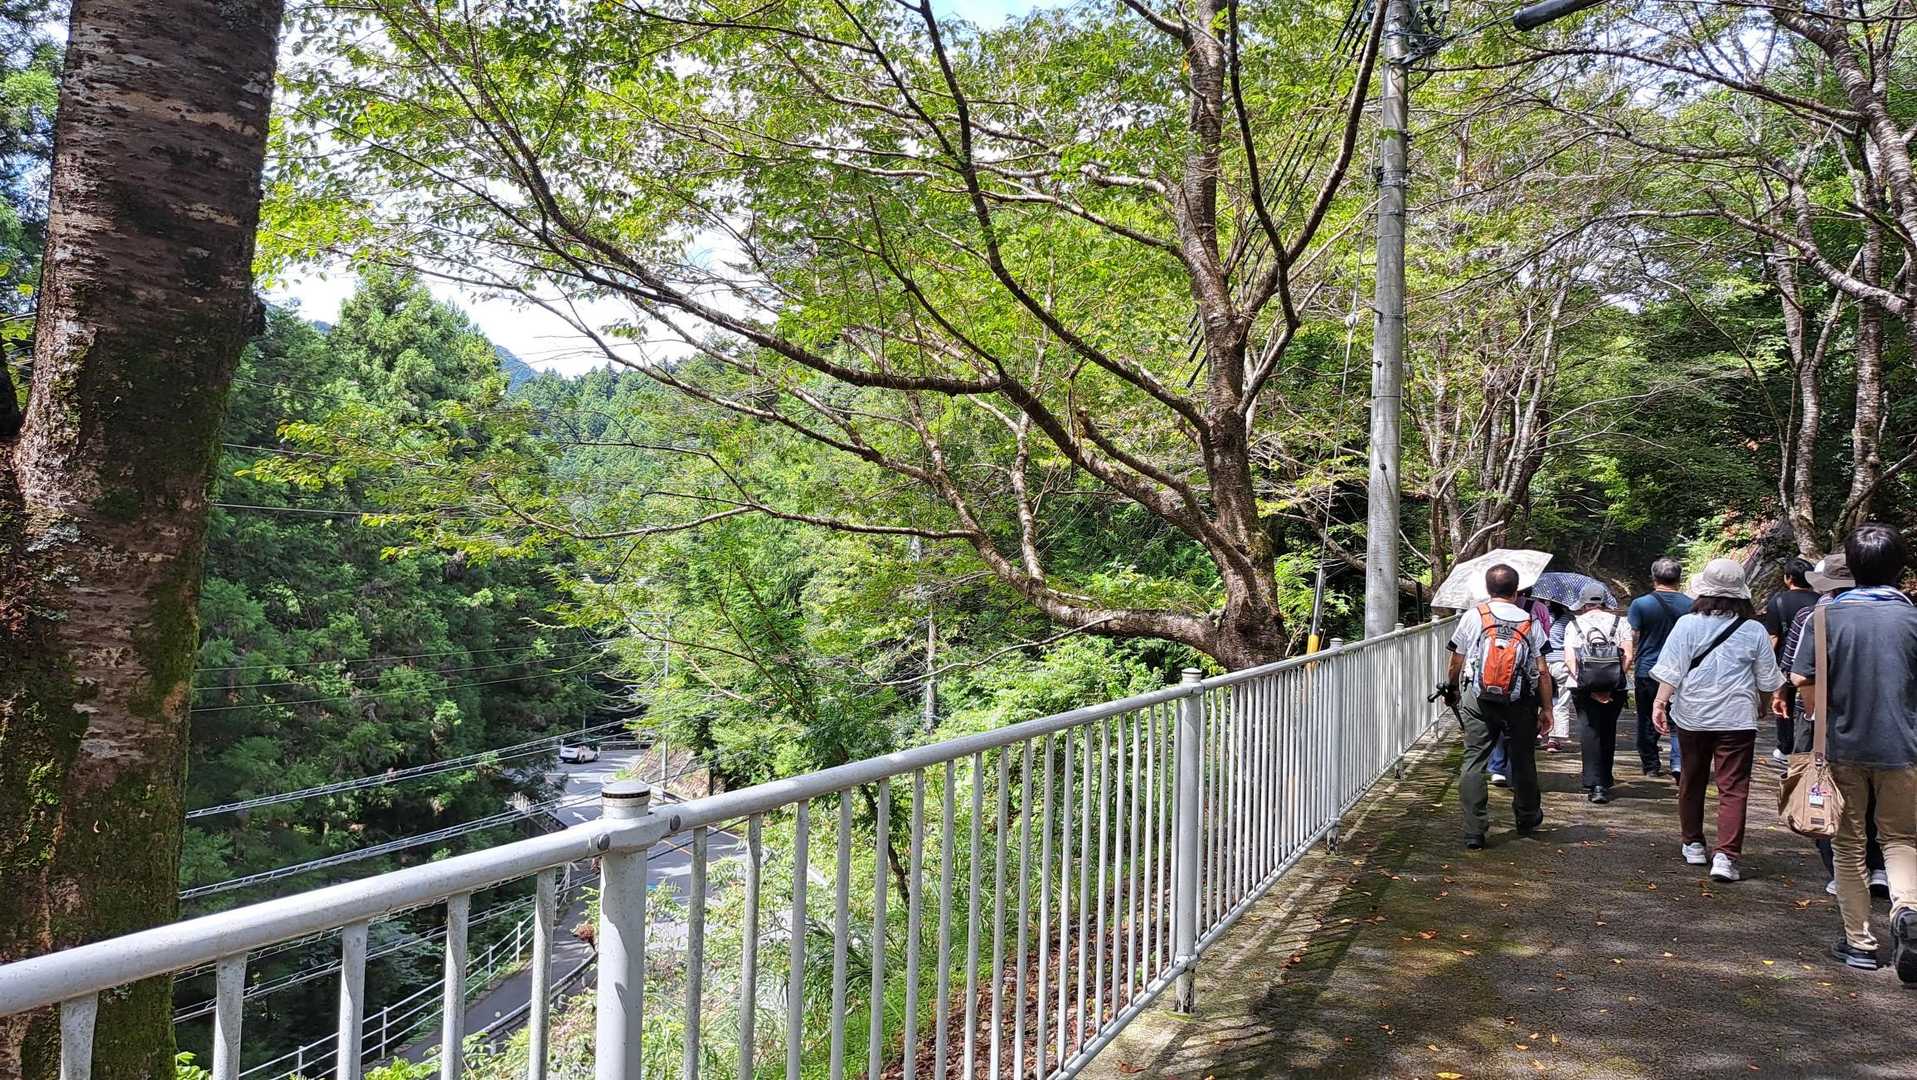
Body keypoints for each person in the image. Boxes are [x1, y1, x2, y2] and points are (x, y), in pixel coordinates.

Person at [1788, 524, 1917, 979]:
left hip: (1841, 747)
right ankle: (1907, 911)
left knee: (1848, 846)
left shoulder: (1825, 617)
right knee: (1901, 839)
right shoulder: (1912, 618)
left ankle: (1859, 942)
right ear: (1900, 568)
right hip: (1905, 748)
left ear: (1852, 568)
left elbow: (1802, 679)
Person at [1650, 558, 1782, 884]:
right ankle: (1726, 856)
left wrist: (1660, 702)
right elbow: (1768, 679)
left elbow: (1672, 670)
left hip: (1693, 715)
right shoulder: (1753, 629)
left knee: (1691, 779)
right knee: (1733, 789)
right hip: (1737, 719)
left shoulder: (1687, 624)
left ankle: (1693, 843)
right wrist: (1762, 705)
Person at [1778, 551, 1888, 898]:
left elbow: (1796, 671)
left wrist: (1807, 709)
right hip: (1881, 716)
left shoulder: (1814, 615)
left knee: (1825, 792)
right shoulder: (1892, 614)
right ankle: (1879, 866)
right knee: (1875, 795)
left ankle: (1843, 870)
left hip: (1826, 719)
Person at [1444, 564, 1553, 850]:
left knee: (1474, 760)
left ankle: (1474, 830)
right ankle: (1527, 817)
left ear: (1488, 589)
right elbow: (1542, 670)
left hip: (1478, 698)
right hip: (1520, 701)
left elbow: (1457, 659)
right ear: (1516, 591)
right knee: (1523, 758)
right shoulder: (1530, 621)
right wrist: (1547, 708)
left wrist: (1452, 688)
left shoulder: (1474, 616)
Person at [1565, 581, 1635, 804]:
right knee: (1608, 730)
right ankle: (1605, 779)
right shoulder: (1620, 622)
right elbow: (1628, 656)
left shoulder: (1574, 624)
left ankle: (1595, 784)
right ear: (1604, 602)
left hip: (1581, 687)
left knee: (1589, 731)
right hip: (1617, 686)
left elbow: (1570, 660)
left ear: (1584, 604)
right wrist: (1611, 683)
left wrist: (1589, 686)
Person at [1629, 557, 1692, 779]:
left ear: (1653, 578)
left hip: (1648, 668)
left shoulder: (1640, 604)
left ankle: (1651, 765)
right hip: (1682, 671)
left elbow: (1633, 636)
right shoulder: (1692, 605)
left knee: (1647, 717)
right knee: (1680, 719)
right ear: (1679, 579)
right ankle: (1678, 764)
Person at [1762, 556, 1818, 764]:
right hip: (1812, 660)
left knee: (1783, 703)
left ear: (1788, 578)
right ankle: (1809, 747)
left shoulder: (1777, 601)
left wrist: (1765, 666)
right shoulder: (1820, 600)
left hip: (1785, 661)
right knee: (1810, 705)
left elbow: (1773, 637)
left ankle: (1785, 747)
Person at [1542, 598, 1574, 753]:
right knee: (1561, 701)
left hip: (1542, 662)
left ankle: (1540, 733)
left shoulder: (1540, 615)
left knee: (1542, 700)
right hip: (1561, 662)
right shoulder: (1569, 619)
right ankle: (1554, 740)